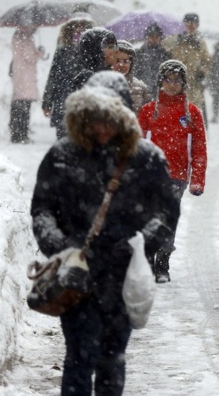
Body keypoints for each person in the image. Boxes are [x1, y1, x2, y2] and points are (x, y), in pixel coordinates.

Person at [30, 74, 180, 395]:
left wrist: (140, 245)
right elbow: (42, 210)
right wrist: (60, 247)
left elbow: (166, 213)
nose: (101, 128)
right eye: (93, 119)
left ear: (124, 118)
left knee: (112, 360)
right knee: (79, 358)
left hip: (121, 278)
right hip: (75, 278)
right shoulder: (62, 156)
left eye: (109, 120)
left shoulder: (147, 159)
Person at [138, 60, 207, 283]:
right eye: (168, 79)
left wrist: (197, 179)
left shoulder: (192, 113)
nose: (172, 84)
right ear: (160, 81)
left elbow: (199, 149)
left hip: (177, 176)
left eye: (177, 80)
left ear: (184, 83)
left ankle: (162, 264)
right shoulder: (148, 111)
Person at [42, 13, 95, 139]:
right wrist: (47, 102)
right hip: (63, 96)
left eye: (82, 26)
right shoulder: (62, 49)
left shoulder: (93, 50)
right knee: (63, 134)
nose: (78, 29)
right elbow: (53, 75)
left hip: (85, 98)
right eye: (75, 26)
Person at [169, 13, 211, 125]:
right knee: (177, 109)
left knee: (194, 109)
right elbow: (168, 54)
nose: (191, 25)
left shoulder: (200, 42)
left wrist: (203, 71)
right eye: (188, 22)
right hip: (177, 81)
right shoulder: (176, 39)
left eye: (194, 23)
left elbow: (207, 61)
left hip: (194, 83)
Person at [9, 25, 47, 143]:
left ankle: (18, 133)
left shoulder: (19, 36)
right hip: (25, 76)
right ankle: (21, 134)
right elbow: (29, 56)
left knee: (20, 105)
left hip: (22, 74)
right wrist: (40, 52)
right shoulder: (24, 37)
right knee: (24, 106)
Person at [112, 40, 150, 113]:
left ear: (131, 64)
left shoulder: (141, 88)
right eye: (117, 61)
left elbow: (146, 116)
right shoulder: (101, 85)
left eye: (126, 61)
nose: (121, 65)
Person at [135, 23, 171, 91]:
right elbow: (136, 72)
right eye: (151, 36)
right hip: (143, 89)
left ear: (160, 38)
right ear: (147, 37)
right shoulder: (139, 53)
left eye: (157, 36)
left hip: (160, 90)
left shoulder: (165, 54)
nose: (154, 39)